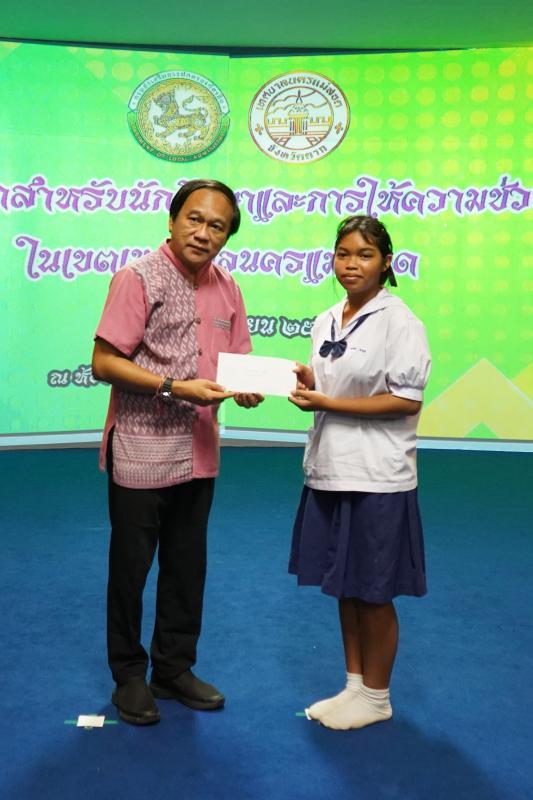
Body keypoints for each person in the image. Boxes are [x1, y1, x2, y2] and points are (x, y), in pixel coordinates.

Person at [92, 179, 262, 726]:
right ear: (171, 220)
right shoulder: (138, 277)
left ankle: (173, 668)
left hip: (199, 450)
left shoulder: (228, 287)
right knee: (131, 570)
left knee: (187, 568)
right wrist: (172, 386)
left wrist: (250, 387)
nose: (203, 233)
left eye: (217, 226)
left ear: (227, 235)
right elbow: (104, 363)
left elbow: (238, 361)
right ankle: (128, 675)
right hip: (140, 448)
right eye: (194, 219)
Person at [288, 215, 431, 731]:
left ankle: (377, 696)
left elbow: (404, 400)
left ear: (386, 262)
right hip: (331, 468)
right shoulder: (328, 317)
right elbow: (335, 385)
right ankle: (354, 686)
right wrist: (310, 381)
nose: (351, 264)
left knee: (373, 591)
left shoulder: (401, 321)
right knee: (345, 585)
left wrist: (326, 400)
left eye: (365, 255)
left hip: (377, 477)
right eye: (343, 254)